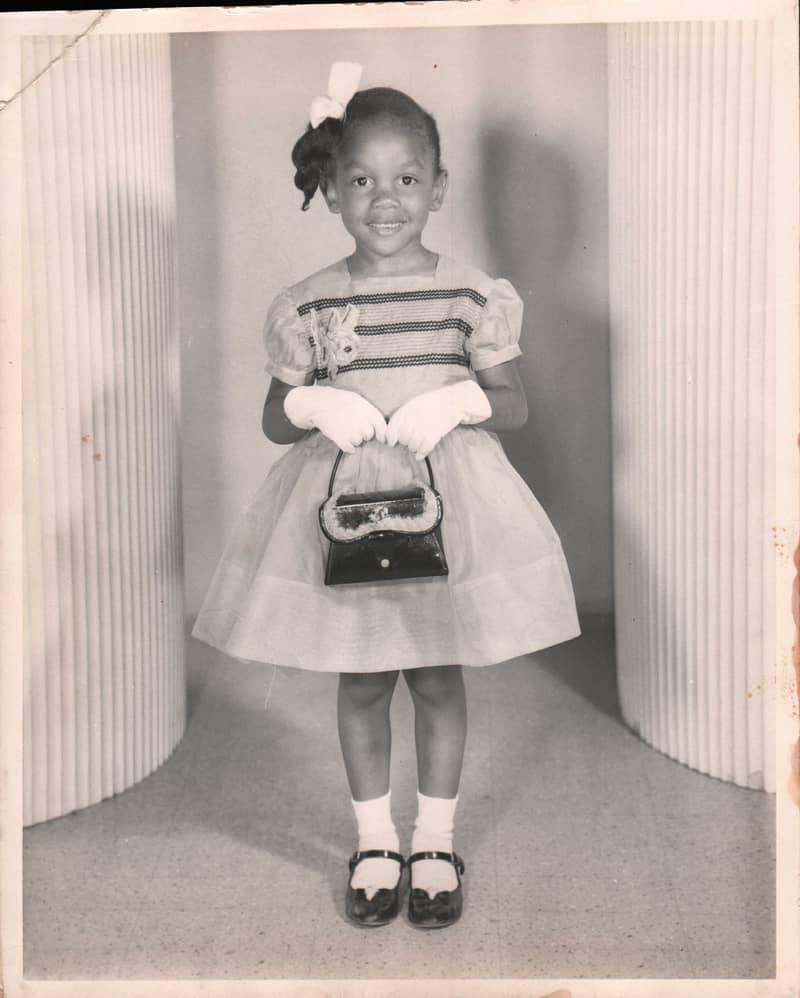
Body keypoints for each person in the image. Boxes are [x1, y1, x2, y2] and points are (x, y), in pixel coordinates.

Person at [192, 62, 581, 929]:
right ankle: (375, 841)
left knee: (436, 677)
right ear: (332, 189)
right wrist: (311, 404)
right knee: (364, 681)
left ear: (438, 188)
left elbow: (514, 404)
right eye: (362, 181)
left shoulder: (471, 296)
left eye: (407, 179)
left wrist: (461, 400)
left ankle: (435, 841)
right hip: (348, 515)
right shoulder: (307, 304)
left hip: (448, 511)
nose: (385, 200)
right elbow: (273, 418)